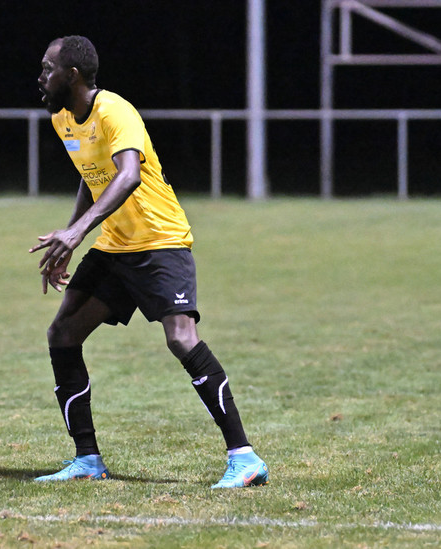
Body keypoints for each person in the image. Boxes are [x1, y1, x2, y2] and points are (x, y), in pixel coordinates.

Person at [29, 36, 268, 488]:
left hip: (161, 241)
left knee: (181, 339)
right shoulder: (63, 118)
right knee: (62, 333)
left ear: (72, 75)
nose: (41, 77)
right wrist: (72, 235)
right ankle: (86, 459)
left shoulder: (114, 111)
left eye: (47, 68)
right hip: (116, 245)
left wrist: (78, 232)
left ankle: (244, 456)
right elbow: (91, 178)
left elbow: (128, 175)